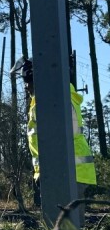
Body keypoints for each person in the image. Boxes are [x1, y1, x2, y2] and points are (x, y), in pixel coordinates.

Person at [11, 59, 96, 206]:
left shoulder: (51, 101)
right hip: (67, 171)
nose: (26, 86)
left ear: (39, 80)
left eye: (28, 81)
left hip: (64, 172)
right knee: (67, 224)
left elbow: (52, 139)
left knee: (66, 225)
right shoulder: (58, 97)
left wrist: (48, 171)